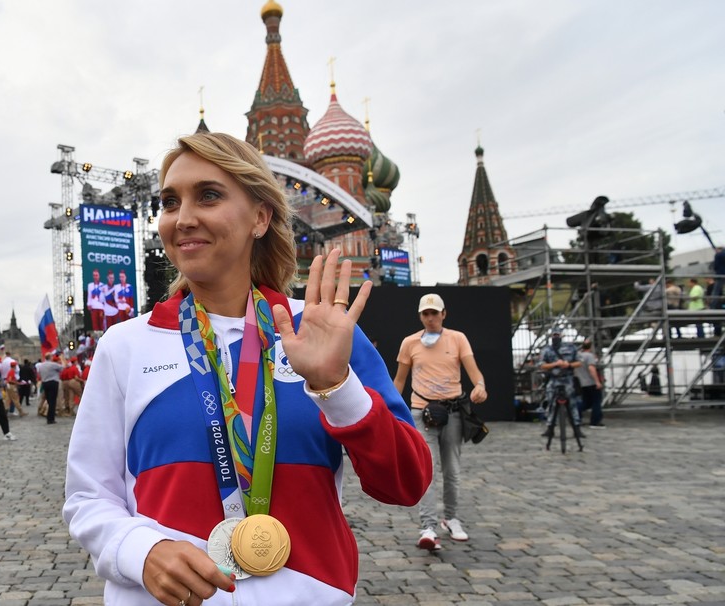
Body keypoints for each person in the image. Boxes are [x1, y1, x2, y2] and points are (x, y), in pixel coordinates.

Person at [63, 132, 431, 606]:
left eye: (209, 195)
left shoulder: (324, 334)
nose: (184, 218)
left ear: (260, 217)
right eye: (170, 202)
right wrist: (141, 550)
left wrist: (335, 386)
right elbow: (88, 496)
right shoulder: (125, 345)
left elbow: (406, 484)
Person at [393, 292, 488, 551]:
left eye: (435, 313)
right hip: (422, 412)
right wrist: (391, 409)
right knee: (427, 469)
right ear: (420, 316)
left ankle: (451, 517)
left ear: (443, 314)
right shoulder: (410, 343)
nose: (431, 318)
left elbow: (473, 371)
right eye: (426, 313)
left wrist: (480, 385)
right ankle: (428, 526)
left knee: (453, 470)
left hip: (453, 411)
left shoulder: (457, 339)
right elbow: (399, 381)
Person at [539, 328, 584, 437]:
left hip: (567, 379)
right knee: (551, 404)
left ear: (561, 335)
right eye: (554, 335)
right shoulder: (546, 350)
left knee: (572, 404)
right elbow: (542, 365)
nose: (556, 337)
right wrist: (554, 364)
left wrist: (568, 365)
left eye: (557, 335)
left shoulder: (571, 347)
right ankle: (550, 427)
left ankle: (576, 428)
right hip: (554, 379)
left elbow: (579, 362)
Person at [574, 339, 605, 428]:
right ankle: (595, 421)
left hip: (581, 383)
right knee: (596, 402)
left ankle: (576, 415)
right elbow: (591, 369)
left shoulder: (578, 356)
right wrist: (597, 382)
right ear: (591, 347)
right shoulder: (590, 356)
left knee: (585, 402)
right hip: (591, 382)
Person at [37, 352, 63, 424]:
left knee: (48, 400)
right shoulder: (52, 365)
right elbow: (62, 367)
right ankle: (51, 418)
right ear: (50, 357)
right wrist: (62, 358)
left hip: (45, 383)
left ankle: (49, 416)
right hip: (53, 382)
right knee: (53, 401)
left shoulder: (41, 365)